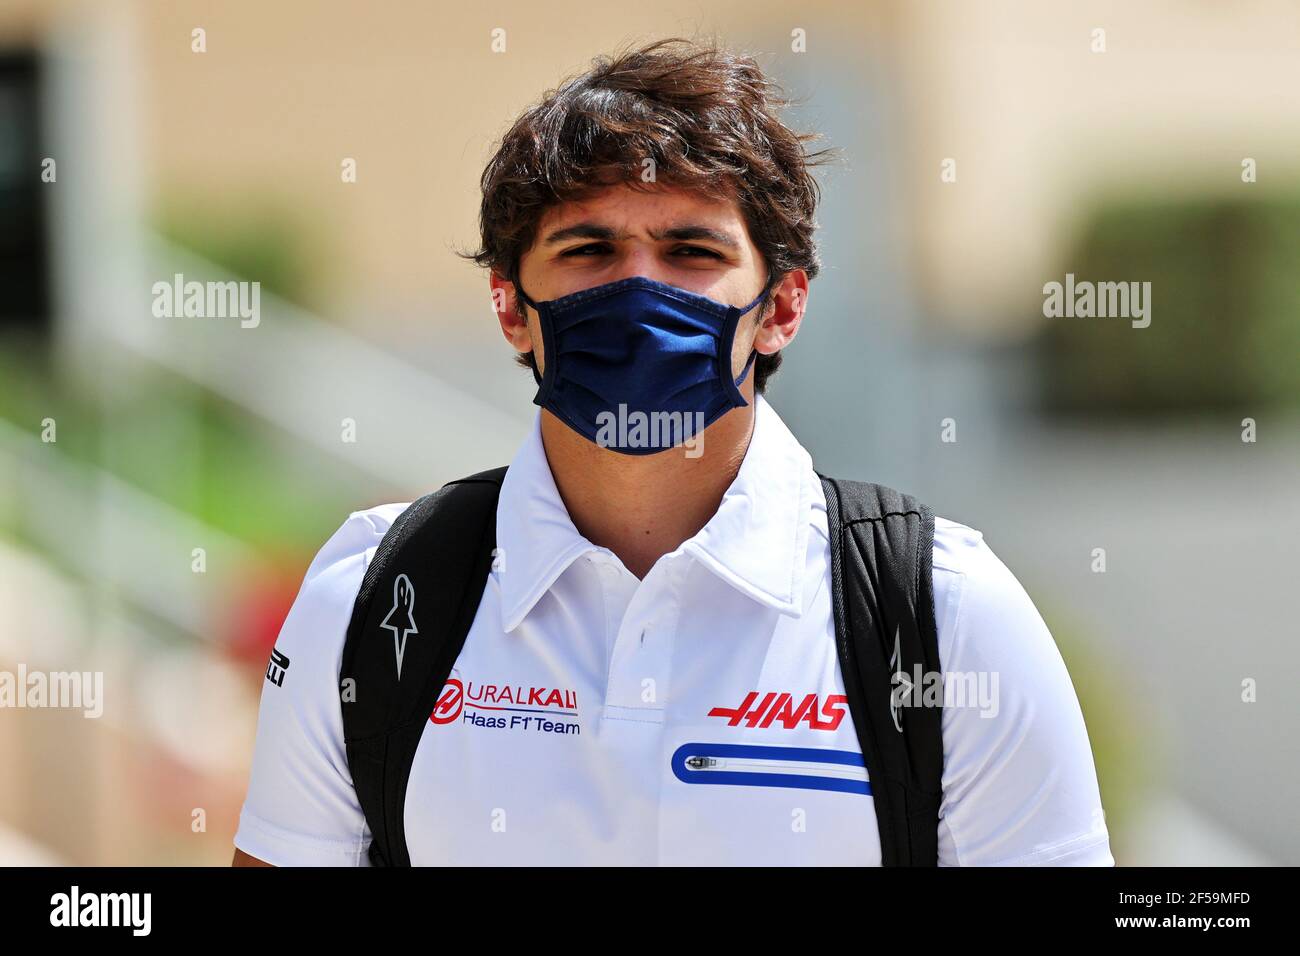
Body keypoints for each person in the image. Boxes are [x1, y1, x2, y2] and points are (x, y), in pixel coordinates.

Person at [232, 37, 1113, 866]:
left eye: (691, 250)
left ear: (782, 306)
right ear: (509, 305)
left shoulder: (944, 614)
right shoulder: (371, 601)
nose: (638, 290)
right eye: (589, 249)